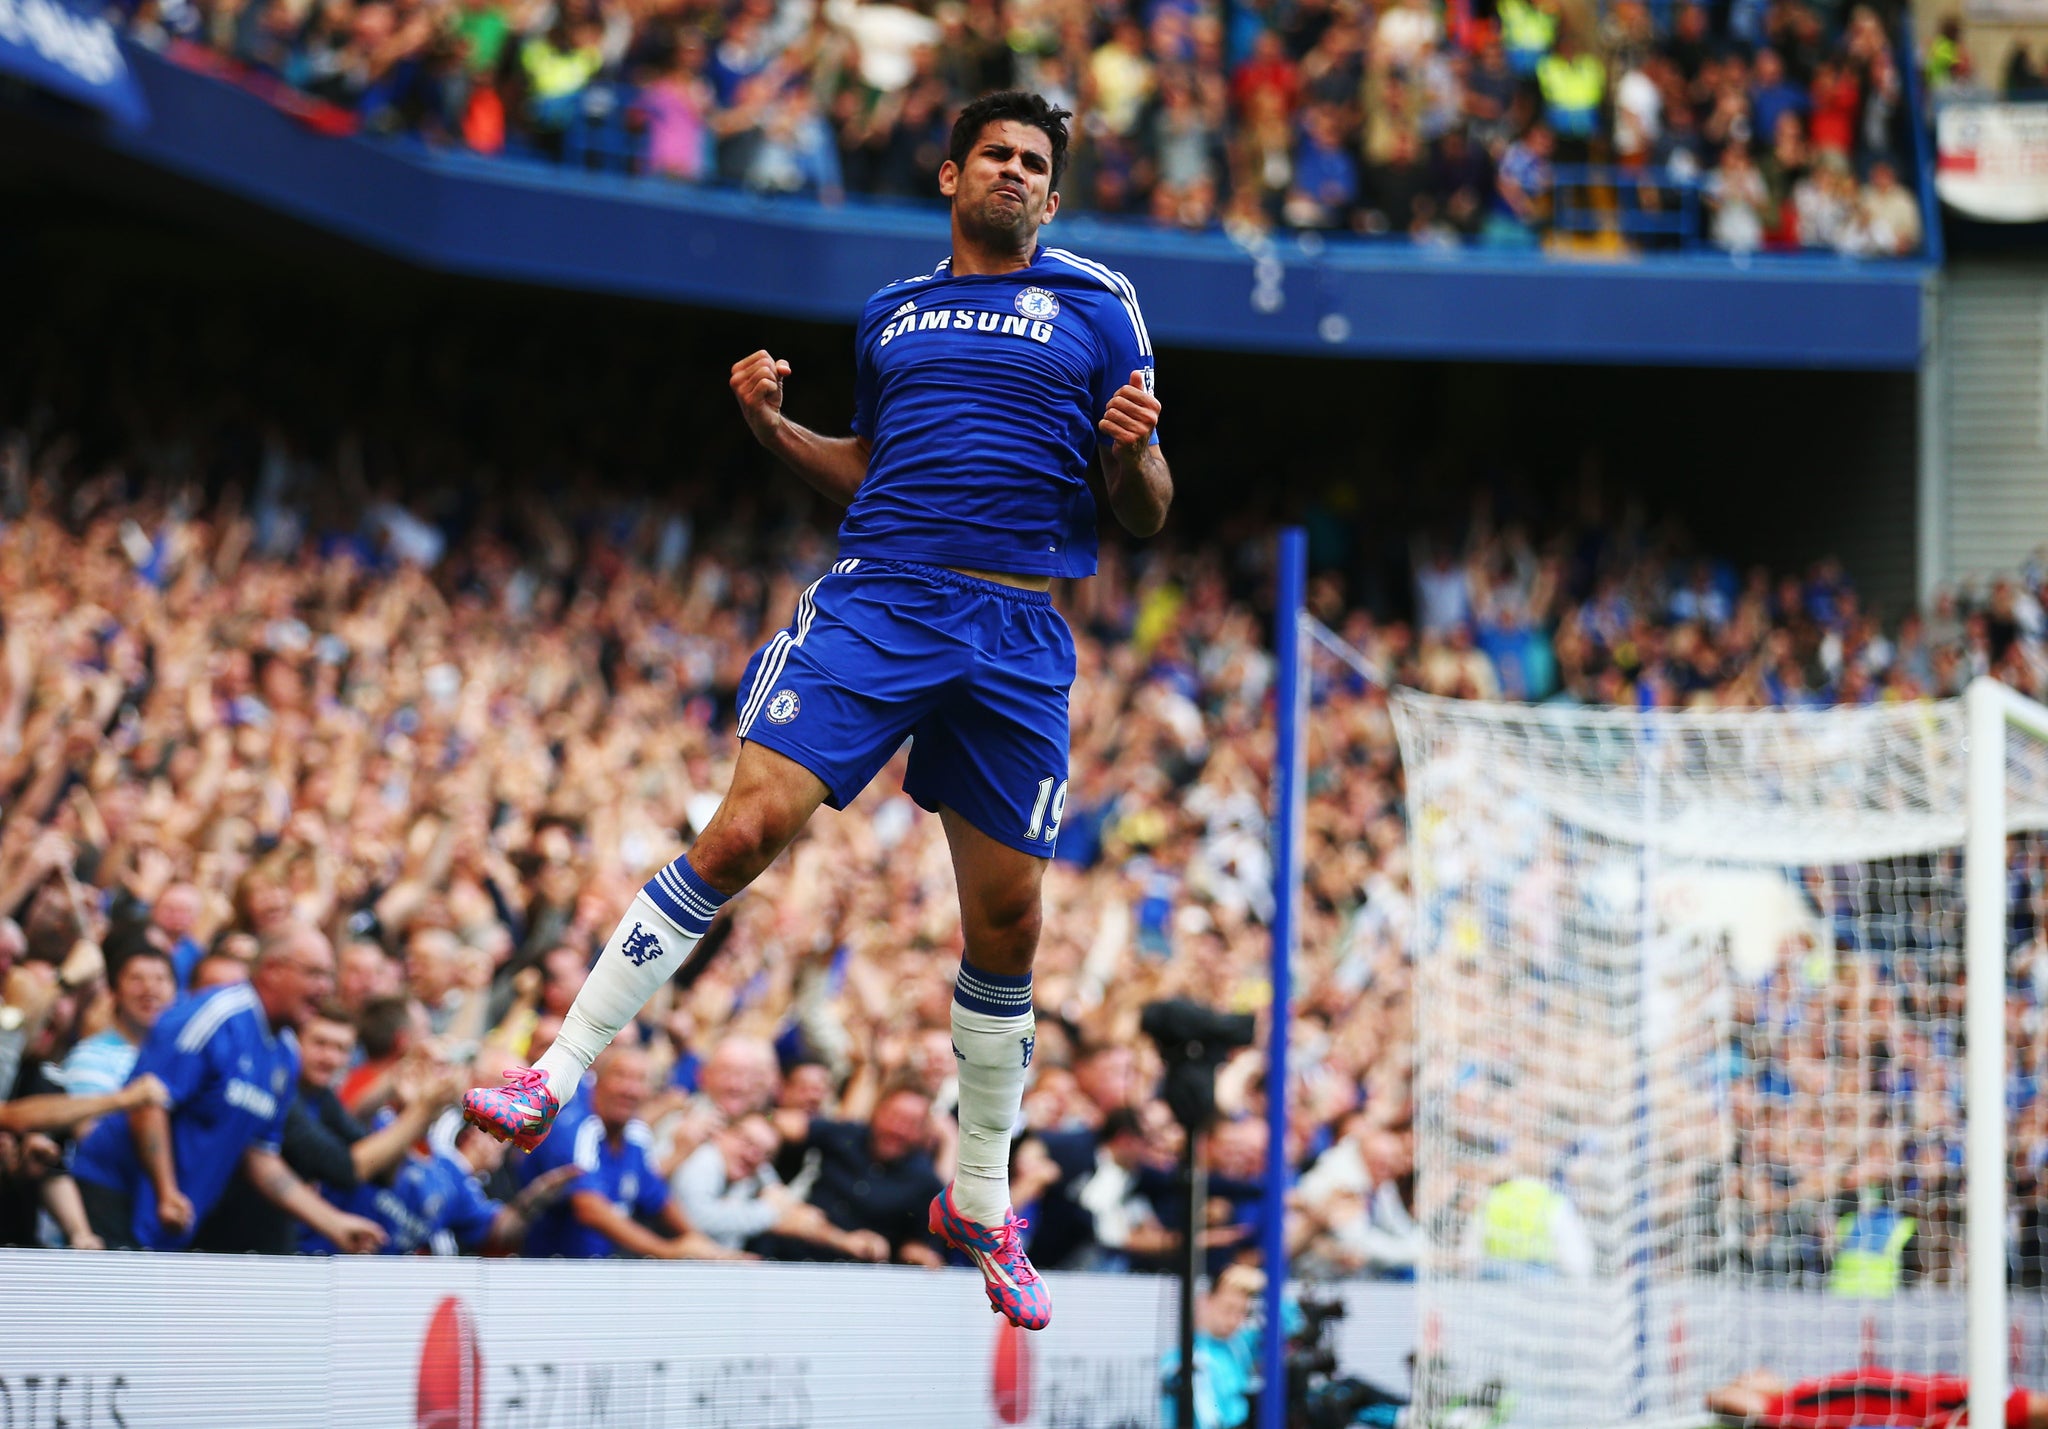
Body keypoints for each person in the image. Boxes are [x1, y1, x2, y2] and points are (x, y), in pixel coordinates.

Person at [463, 87, 1171, 1331]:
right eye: (994, 155)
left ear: (1051, 199)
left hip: (1016, 633)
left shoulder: (1099, 302)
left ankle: (978, 1196)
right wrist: (769, 423)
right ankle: (552, 1071)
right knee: (739, 833)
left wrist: (1129, 452)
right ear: (949, 176)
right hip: (880, 601)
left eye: (1034, 164)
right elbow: (867, 465)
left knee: (1007, 927)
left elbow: (1148, 504)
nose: (1013, 172)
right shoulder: (890, 313)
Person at [71, 923, 387, 1253]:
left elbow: (261, 1156)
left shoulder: (284, 1054)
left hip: (172, 1217)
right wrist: (166, 1190)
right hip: (114, 1193)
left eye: (328, 976)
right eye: (314, 974)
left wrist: (333, 1223)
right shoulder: (214, 1017)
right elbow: (148, 1101)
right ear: (272, 970)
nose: (325, 988)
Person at [517, 1045, 737, 1261]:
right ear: (597, 1081)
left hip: (602, 1272)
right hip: (548, 1272)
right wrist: (667, 1250)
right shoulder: (574, 1126)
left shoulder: (636, 1135)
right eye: (620, 1076)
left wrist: (710, 1250)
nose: (629, 1089)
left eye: (640, 1080)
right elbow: (589, 1208)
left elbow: (659, 1199)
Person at [672, 1110, 890, 1258]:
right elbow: (697, 1217)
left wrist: (844, 1239)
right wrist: (769, 1215)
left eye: (765, 1152)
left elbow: (791, 1209)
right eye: (747, 1141)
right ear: (721, 1134)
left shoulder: (752, 1166)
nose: (752, 1154)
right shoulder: (706, 1158)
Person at [1706, 1369, 2048, 1429]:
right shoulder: (1795, 1409)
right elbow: (1721, 1400)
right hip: (1903, 1402)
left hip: (1909, 1401)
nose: (1758, 1372)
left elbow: (1719, 1399)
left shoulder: (1799, 1406)